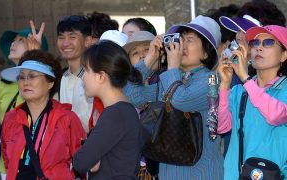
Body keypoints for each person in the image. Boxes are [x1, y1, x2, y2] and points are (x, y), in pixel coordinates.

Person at [126, 15, 224, 179]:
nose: (181, 45)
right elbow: (131, 95)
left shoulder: (213, 80)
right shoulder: (173, 77)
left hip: (201, 173)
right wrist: (150, 59)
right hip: (169, 172)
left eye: (190, 40)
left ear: (206, 52)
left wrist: (172, 66)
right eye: (181, 39)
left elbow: (180, 100)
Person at [0, 50, 85, 179]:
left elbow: (81, 163)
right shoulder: (11, 118)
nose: (25, 82)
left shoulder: (67, 118)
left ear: (50, 82)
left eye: (32, 76)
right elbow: (7, 160)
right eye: (21, 77)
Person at [217, 25, 287, 179]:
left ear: (283, 55)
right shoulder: (238, 91)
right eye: (255, 43)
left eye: (268, 43)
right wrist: (225, 85)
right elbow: (222, 127)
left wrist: (245, 78)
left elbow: (275, 116)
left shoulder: (284, 89)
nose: (259, 48)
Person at [73, 40, 144, 179]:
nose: (83, 77)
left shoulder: (116, 114)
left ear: (101, 76)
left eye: (86, 70)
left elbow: (80, 162)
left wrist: (92, 157)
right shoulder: (122, 110)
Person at [0, 21, 48, 179]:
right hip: (8, 162)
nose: (13, 43)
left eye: (21, 40)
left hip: (39, 162)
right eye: (14, 40)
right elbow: (3, 120)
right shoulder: (3, 82)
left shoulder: (47, 79)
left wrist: (36, 56)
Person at [56, 15, 93, 133]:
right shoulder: (61, 78)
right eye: (61, 37)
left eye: (72, 37)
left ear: (87, 41)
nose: (65, 43)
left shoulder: (96, 77)